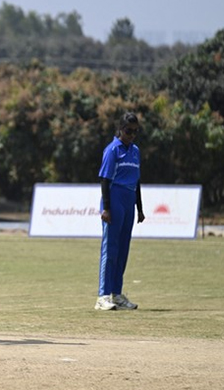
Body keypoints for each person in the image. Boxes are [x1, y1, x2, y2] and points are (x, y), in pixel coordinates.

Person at [95, 112, 145, 311]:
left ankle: (116, 294)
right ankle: (103, 296)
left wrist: (139, 208)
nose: (131, 135)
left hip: (129, 200)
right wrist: (106, 208)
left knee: (123, 250)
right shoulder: (112, 150)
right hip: (114, 199)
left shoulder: (135, 151)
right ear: (120, 129)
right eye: (128, 131)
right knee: (111, 249)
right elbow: (105, 180)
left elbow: (137, 180)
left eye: (135, 131)